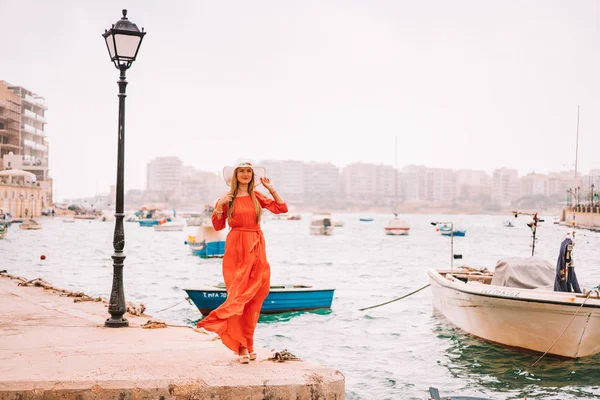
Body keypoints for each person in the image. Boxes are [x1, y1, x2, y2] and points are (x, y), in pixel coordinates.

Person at [196, 161, 288, 363]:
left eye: (248, 171)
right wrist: (220, 206)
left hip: (256, 248)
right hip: (236, 249)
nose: (245, 174)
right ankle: (241, 348)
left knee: (254, 299)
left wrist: (271, 188)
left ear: (252, 175)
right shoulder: (227, 198)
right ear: (235, 176)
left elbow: (282, 208)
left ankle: (248, 344)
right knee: (237, 297)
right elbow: (218, 225)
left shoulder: (257, 196)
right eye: (241, 172)